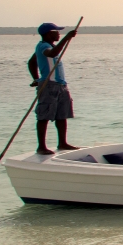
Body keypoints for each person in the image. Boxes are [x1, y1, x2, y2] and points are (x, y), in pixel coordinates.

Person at [30, 22, 78, 154]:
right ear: (48, 34)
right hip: (49, 85)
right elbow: (51, 54)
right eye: (56, 31)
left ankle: (62, 143)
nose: (58, 33)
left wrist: (35, 78)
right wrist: (67, 38)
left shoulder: (51, 46)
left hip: (61, 85)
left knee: (62, 115)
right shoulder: (43, 46)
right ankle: (41, 147)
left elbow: (32, 62)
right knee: (44, 116)